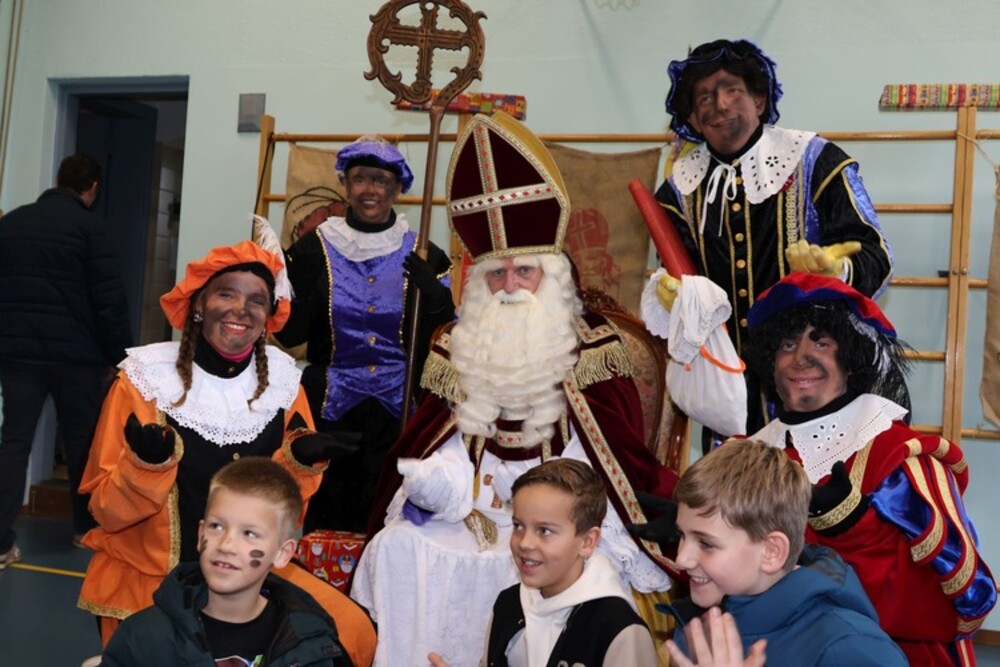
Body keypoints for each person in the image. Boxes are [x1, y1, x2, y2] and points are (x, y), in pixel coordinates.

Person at [352, 111, 680, 667]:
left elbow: (610, 456)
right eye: (496, 275)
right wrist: (440, 483)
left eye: (523, 272)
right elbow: (438, 439)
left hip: (561, 515)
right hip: (471, 510)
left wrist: (553, 505)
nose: (509, 287)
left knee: (590, 569)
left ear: (550, 276)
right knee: (398, 547)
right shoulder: (456, 346)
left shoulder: (592, 348)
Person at [76, 236, 376, 666]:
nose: (241, 309)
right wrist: (145, 468)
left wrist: (298, 466)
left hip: (251, 581)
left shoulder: (283, 387)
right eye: (226, 294)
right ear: (199, 304)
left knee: (353, 633)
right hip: (151, 581)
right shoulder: (145, 382)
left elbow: (283, 515)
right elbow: (105, 512)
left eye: (257, 300)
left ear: (269, 316)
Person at [641, 38, 894, 435]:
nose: (719, 104)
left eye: (732, 90)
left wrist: (838, 271)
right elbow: (680, 278)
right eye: (704, 98)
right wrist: (675, 299)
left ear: (759, 100)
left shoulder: (815, 160)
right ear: (693, 117)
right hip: (730, 391)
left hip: (818, 383)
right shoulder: (678, 192)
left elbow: (875, 254)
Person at [744, 271, 997, 665]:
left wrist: (853, 528)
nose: (801, 357)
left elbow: (965, 601)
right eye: (788, 344)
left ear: (851, 361)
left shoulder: (901, 458)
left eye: (822, 342)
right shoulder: (748, 457)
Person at [276, 135, 455, 534]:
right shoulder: (313, 248)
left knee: (389, 516)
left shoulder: (425, 254)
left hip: (400, 408)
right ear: (345, 184)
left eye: (380, 180)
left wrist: (436, 298)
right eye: (360, 179)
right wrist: (280, 286)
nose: (369, 190)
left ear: (397, 189)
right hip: (331, 407)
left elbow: (444, 339)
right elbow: (290, 334)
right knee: (328, 513)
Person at [662, 438, 906, 666]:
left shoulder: (851, 647)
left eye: (706, 544)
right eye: (682, 535)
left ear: (771, 552)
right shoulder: (699, 629)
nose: (682, 559)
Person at [0, 154, 132, 567]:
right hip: (77, 358)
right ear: (92, 189)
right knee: (84, 444)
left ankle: (0, 543)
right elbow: (109, 301)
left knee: (14, 442)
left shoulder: (12, 223)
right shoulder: (92, 229)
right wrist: (121, 357)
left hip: (17, 353)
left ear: (58, 180)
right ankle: (84, 529)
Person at [101, 457, 351, 665]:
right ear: (200, 535)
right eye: (216, 526)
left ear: (283, 553)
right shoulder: (143, 639)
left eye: (249, 533)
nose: (226, 545)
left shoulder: (310, 646)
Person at [429, 458, 658, 667]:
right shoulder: (509, 604)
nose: (525, 543)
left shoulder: (618, 628)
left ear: (587, 542)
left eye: (545, 530)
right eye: (518, 526)